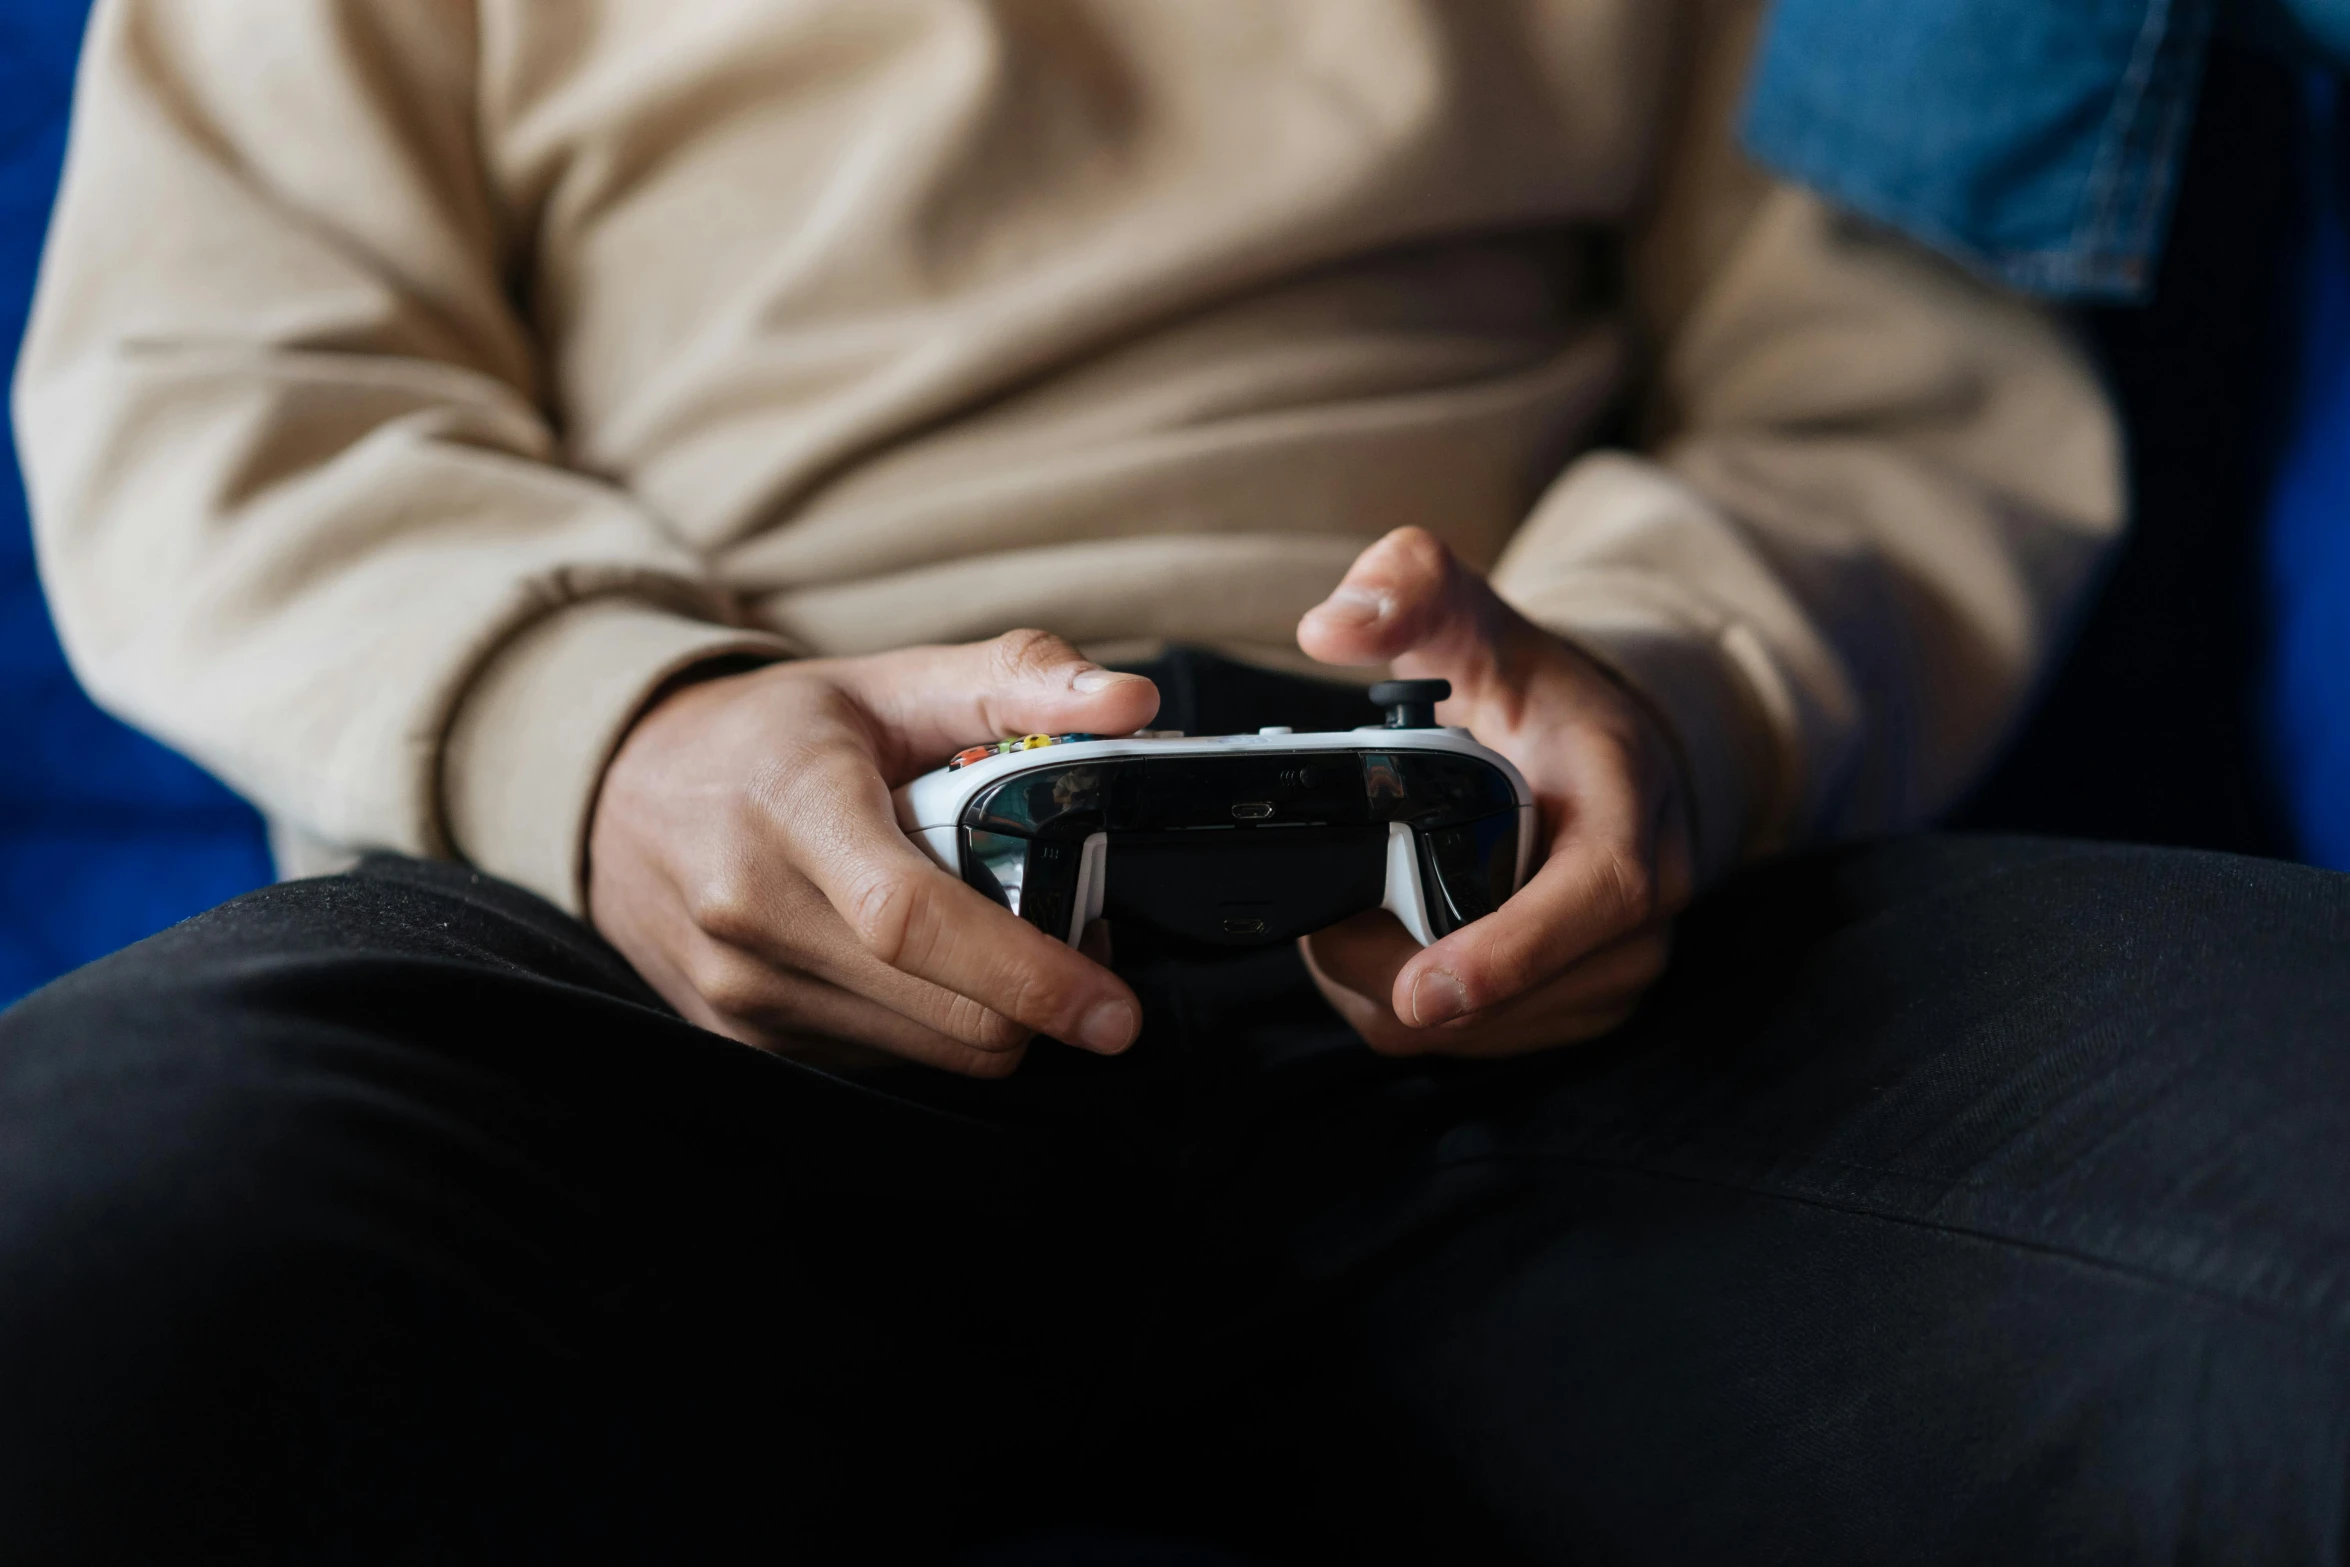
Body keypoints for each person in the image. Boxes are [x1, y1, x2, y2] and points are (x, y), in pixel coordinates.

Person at [3, 1, 2346, 1561]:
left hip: (1491, 897)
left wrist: (1654, 702)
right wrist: (614, 734)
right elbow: (220, 370)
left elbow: (1864, 395)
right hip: (649, 919)